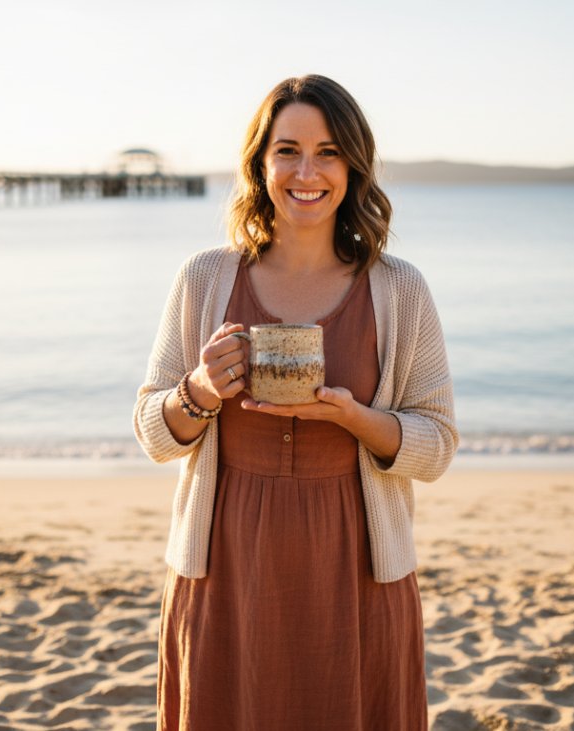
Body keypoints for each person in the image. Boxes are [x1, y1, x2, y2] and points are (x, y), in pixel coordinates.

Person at [133, 74, 457, 731]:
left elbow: (438, 443)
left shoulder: (400, 289)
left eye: (329, 151)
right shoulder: (204, 278)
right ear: (260, 162)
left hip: (358, 567)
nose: (307, 171)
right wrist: (198, 391)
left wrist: (357, 419)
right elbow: (152, 431)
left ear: (354, 167)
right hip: (225, 563)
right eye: (288, 150)